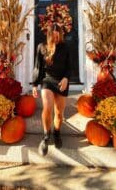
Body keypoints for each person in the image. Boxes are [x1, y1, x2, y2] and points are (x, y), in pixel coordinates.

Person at [32, 24, 71, 156]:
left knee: (59, 113)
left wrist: (66, 78)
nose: (56, 38)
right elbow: (37, 67)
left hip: (62, 82)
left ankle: (57, 132)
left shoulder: (66, 47)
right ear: (49, 35)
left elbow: (70, 67)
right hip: (47, 80)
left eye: (58, 35)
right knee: (47, 107)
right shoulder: (41, 47)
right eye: (53, 35)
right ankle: (46, 137)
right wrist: (34, 85)